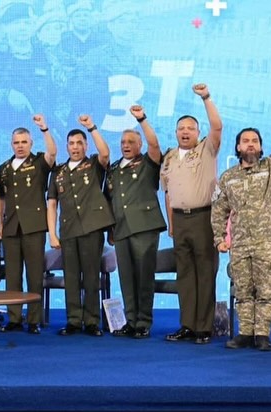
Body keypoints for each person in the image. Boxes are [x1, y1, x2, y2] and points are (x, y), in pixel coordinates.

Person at [212, 99, 271, 351]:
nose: (250, 144)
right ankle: (245, 333)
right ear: (238, 147)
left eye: (255, 141)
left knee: (266, 290)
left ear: (260, 147)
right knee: (243, 290)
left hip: (266, 240)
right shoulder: (228, 177)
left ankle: (262, 335)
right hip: (239, 242)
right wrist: (219, 238)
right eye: (246, 141)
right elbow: (219, 209)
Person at [160, 84, 222, 344]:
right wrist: (171, 224)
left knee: (205, 272)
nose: (185, 132)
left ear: (198, 132)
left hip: (203, 218)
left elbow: (217, 127)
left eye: (190, 128)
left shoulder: (207, 149)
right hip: (180, 220)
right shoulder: (169, 157)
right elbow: (168, 193)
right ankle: (186, 325)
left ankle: (204, 327)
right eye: (181, 128)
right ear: (175, 132)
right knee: (184, 274)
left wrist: (206, 97)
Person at [47, 114, 114, 337]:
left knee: (91, 276)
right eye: (72, 143)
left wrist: (92, 128)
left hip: (91, 229)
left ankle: (92, 321)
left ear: (86, 146)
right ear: (67, 146)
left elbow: (105, 153)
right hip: (68, 231)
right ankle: (74, 320)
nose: (75, 147)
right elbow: (52, 204)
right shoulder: (58, 172)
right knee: (72, 277)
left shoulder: (94, 164)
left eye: (79, 143)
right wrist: (52, 234)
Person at [105, 105, 167, 339]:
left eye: (131, 141)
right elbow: (109, 200)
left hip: (144, 227)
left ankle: (143, 321)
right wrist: (110, 229)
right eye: (123, 142)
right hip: (121, 229)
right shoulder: (113, 169)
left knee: (144, 276)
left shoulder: (148, 163)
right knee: (126, 278)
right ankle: (130, 320)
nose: (126, 145)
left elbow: (155, 145)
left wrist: (142, 120)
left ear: (139, 145)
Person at [0, 114, 57, 334]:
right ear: (11, 144)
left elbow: (52, 153)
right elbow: (0, 197)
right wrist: (0, 224)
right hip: (11, 227)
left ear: (31, 143)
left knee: (34, 275)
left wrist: (44, 129)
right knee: (12, 276)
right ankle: (14, 318)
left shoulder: (39, 162)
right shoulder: (3, 168)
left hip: (34, 226)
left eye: (24, 142)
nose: (20, 146)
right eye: (16, 142)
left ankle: (33, 320)